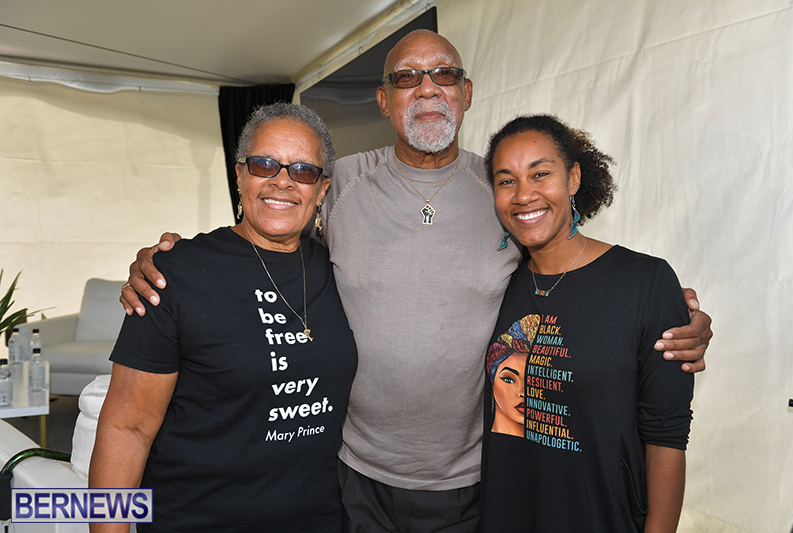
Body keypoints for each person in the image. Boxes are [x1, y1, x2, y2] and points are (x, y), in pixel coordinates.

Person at [120, 30, 711, 532]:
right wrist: (171, 257)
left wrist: (662, 311)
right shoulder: (337, 183)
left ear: (466, 93)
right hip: (353, 475)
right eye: (407, 78)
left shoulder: (503, 189)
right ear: (383, 99)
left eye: (444, 74)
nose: (427, 88)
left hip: (474, 479)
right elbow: (269, 223)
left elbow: (575, 281)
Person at [89, 103, 358, 532]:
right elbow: (127, 429)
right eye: (264, 164)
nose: (282, 181)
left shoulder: (342, 270)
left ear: (322, 189)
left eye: (303, 171)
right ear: (239, 175)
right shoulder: (174, 275)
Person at [480, 114, 693, 532]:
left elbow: (666, 438)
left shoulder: (644, 282)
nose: (524, 195)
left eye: (540, 174)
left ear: (574, 177)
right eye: (507, 181)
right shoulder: (498, 284)